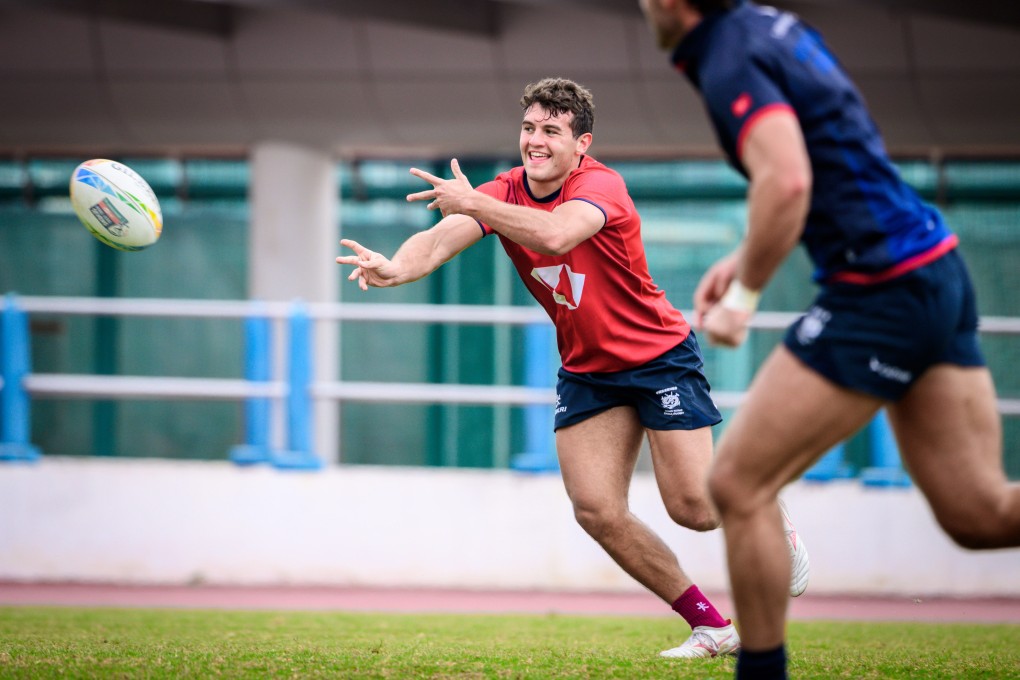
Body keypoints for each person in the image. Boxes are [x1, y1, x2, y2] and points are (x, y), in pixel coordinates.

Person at [336, 77, 808, 660]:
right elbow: (435, 243)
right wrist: (395, 268)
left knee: (694, 509)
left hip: (657, 356)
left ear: (581, 144)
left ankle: (762, 500)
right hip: (588, 369)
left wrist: (477, 203)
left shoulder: (600, 184)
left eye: (551, 131)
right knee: (597, 510)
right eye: (529, 128)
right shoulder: (504, 190)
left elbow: (558, 235)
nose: (535, 140)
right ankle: (712, 628)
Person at [639, 0, 1020, 677]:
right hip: (933, 268)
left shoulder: (727, 54)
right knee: (980, 514)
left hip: (880, 288)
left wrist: (745, 295)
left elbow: (788, 180)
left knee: (738, 482)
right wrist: (748, 252)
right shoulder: (769, 27)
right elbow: (831, 160)